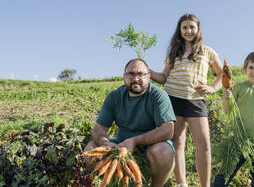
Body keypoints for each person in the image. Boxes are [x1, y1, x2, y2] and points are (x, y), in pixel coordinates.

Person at [150, 13, 223, 187]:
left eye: (192, 27)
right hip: (173, 99)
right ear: (180, 30)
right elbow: (163, 78)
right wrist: (146, 70)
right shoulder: (174, 52)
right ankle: (182, 183)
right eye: (185, 27)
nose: (188, 30)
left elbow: (222, 74)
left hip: (196, 100)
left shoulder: (208, 51)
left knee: (204, 145)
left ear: (198, 29)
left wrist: (212, 88)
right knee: (177, 142)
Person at [84, 59, 176, 187]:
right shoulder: (114, 96)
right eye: (131, 74)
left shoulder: (158, 95)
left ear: (148, 76)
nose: (136, 78)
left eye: (140, 74)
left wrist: (134, 141)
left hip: (151, 144)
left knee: (163, 151)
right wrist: (106, 143)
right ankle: (105, 183)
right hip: (121, 144)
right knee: (91, 148)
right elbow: (98, 128)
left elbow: (168, 130)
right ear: (124, 77)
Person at [212, 52, 254, 187]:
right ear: (245, 70)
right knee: (225, 174)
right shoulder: (238, 88)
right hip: (239, 139)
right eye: (251, 68)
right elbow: (227, 110)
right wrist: (226, 98)